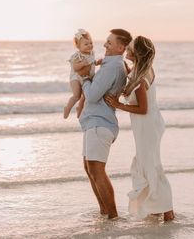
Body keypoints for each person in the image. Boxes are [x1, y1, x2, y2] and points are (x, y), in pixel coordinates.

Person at [105, 36, 175, 221]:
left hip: (148, 126)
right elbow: (132, 78)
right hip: (149, 125)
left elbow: (142, 109)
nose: (126, 49)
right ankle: (158, 208)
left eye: (129, 48)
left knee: (150, 167)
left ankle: (167, 211)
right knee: (150, 165)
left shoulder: (141, 78)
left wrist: (118, 105)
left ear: (136, 54)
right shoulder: (140, 70)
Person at [77, 29, 132, 219]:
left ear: (121, 47)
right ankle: (105, 212)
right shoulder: (112, 65)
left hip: (100, 123)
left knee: (96, 169)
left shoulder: (112, 67)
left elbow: (92, 96)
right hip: (96, 122)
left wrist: (84, 79)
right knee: (89, 168)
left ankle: (112, 216)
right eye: (106, 41)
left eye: (109, 42)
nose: (105, 45)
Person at [63, 29, 102, 119]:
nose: (89, 46)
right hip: (76, 78)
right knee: (77, 95)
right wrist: (82, 64)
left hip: (87, 78)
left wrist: (97, 62)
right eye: (86, 44)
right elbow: (75, 67)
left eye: (91, 43)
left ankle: (79, 108)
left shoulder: (92, 53)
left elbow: (92, 62)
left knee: (85, 96)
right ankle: (68, 108)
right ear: (78, 46)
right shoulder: (77, 56)